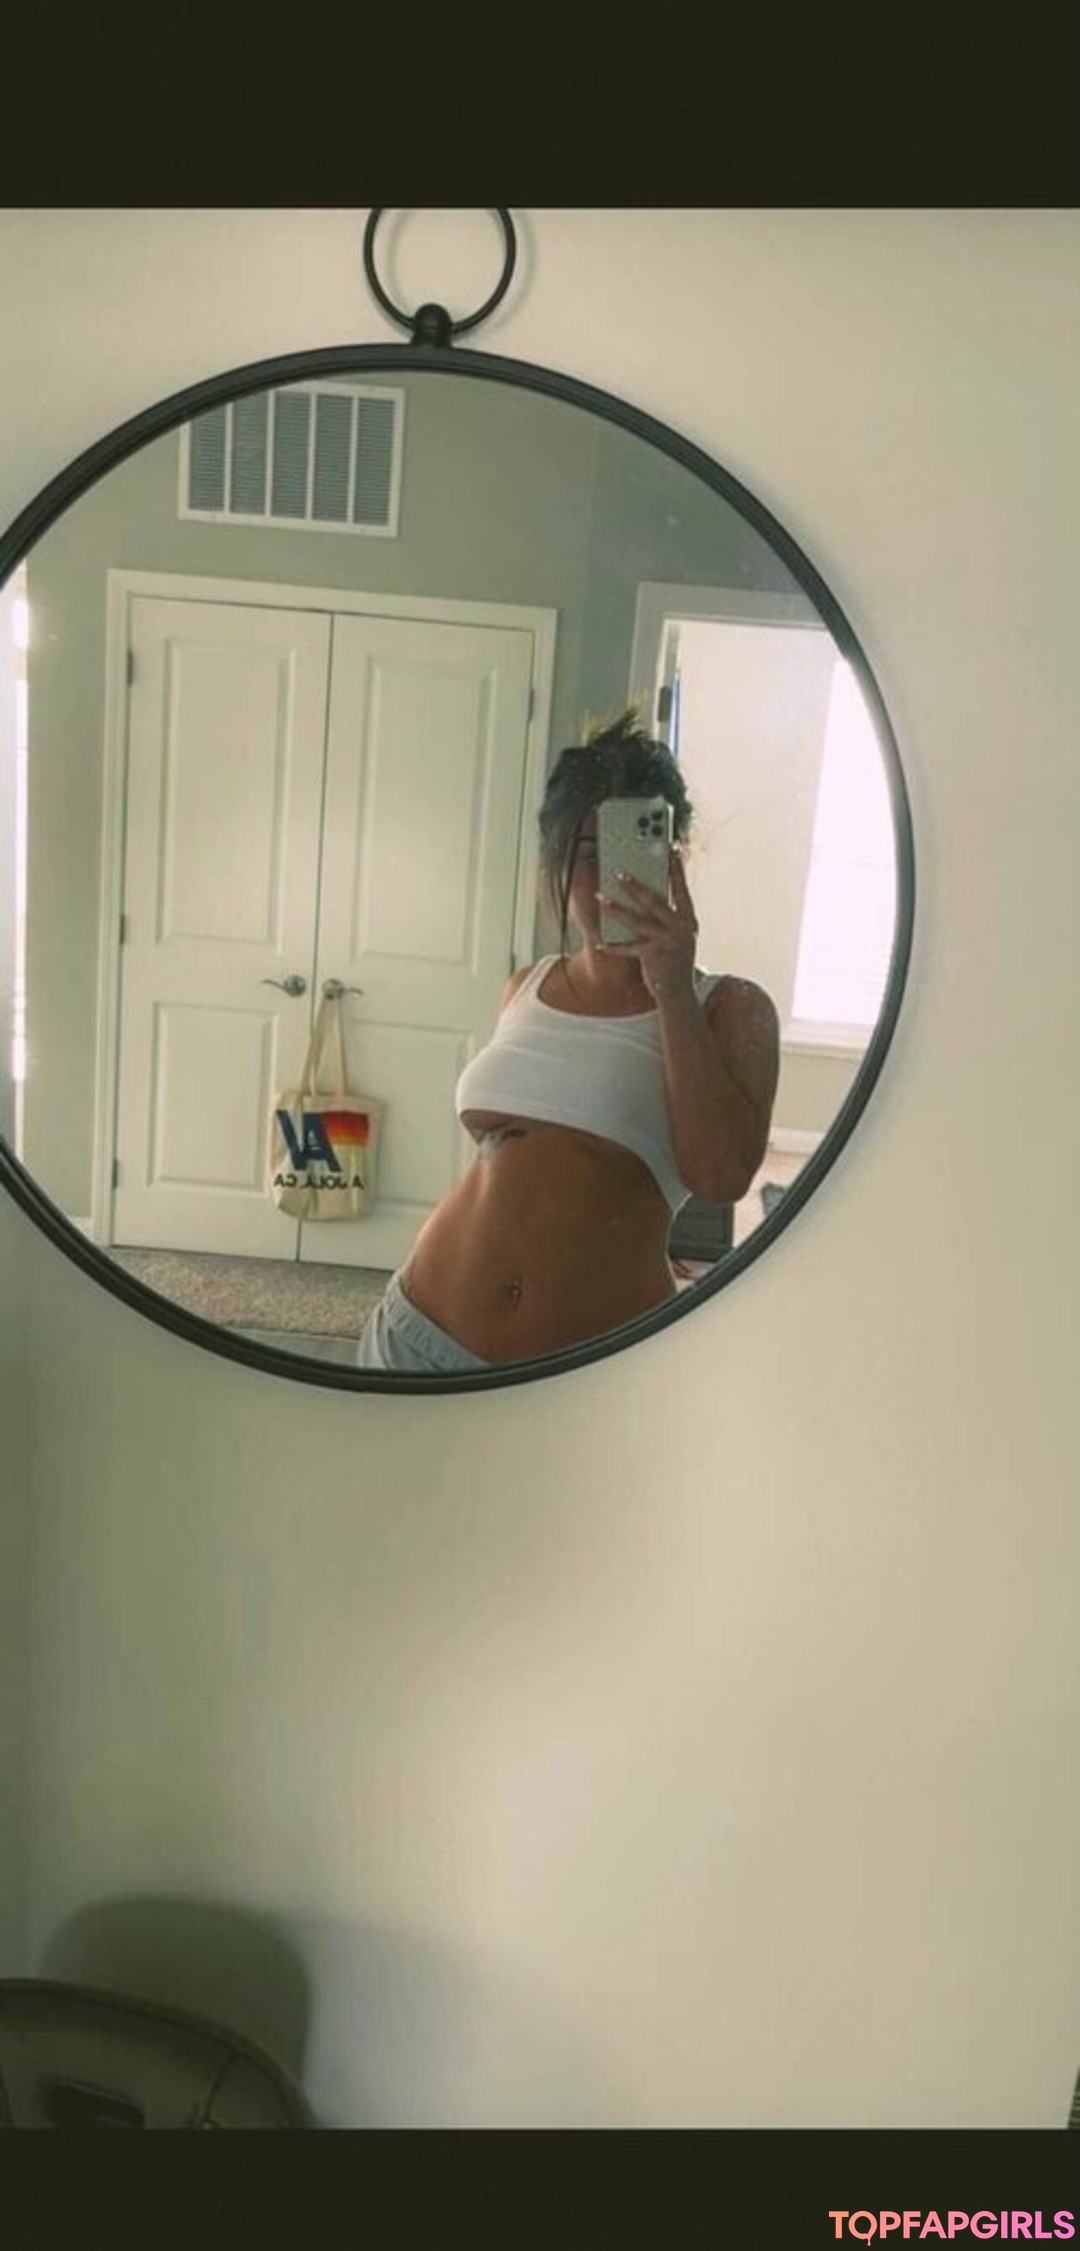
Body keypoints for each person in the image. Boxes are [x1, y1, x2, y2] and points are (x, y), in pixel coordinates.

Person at [356, 707, 780, 1372]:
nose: (611, 878)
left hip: (576, 1379)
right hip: (416, 1332)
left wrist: (670, 986)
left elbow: (721, 1176)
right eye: (587, 853)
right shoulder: (525, 986)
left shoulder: (729, 1007)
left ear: (673, 858)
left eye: (630, 850)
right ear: (552, 862)